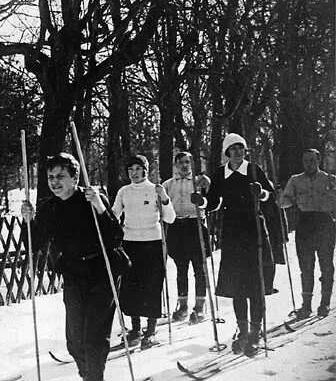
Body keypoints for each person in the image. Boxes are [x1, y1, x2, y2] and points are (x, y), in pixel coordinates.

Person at [20, 153, 125, 381]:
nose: (54, 182)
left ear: (75, 178)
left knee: (93, 334)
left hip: (103, 272)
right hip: (75, 276)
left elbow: (115, 237)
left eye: (60, 176)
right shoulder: (49, 207)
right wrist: (29, 222)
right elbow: (32, 245)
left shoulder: (91, 199)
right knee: (74, 338)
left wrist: (101, 208)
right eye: (50, 177)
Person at [191, 133, 275, 356]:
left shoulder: (254, 169)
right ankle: (243, 331)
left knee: (256, 284)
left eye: (241, 148)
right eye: (233, 148)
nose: (238, 152)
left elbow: (271, 196)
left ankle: (255, 334)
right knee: (238, 285)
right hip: (232, 233)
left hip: (254, 230)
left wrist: (262, 193)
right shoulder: (221, 174)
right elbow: (216, 201)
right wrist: (203, 202)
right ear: (227, 152)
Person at [112, 154, 176, 350]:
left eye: (138, 169)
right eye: (131, 170)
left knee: (152, 285)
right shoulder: (124, 191)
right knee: (131, 287)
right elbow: (114, 214)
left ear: (145, 171)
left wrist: (164, 199)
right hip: (130, 243)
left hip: (153, 243)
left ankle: (151, 330)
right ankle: (135, 330)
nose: (134, 173)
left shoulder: (155, 189)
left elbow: (170, 218)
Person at [279, 149, 336, 318]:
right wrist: (282, 197)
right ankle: (306, 306)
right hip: (305, 224)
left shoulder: (330, 179)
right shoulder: (295, 181)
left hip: (325, 224)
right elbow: (284, 203)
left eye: (312, 160)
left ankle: (324, 304)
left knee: (326, 266)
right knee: (306, 267)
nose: (309, 163)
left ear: (318, 160)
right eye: (306, 161)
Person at [162, 152, 211, 323]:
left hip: (195, 224)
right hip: (177, 227)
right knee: (181, 269)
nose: (185, 165)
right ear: (175, 164)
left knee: (199, 267)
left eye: (188, 162)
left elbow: (210, 202)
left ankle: (200, 306)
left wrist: (205, 191)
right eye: (181, 162)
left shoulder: (200, 181)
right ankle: (182, 306)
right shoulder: (167, 185)